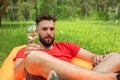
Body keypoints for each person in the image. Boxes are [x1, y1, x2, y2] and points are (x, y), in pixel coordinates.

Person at [14, 14, 120, 80]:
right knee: (33, 56)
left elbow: (93, 57)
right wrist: (25, 58)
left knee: (115, 57)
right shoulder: (26, 50)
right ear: (37, 31)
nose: (49, 33)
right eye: (44, 29)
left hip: (74, 77)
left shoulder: (66, 46)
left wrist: (97, 57)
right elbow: (16, 76)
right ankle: (111, 78)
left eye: (52, 29)